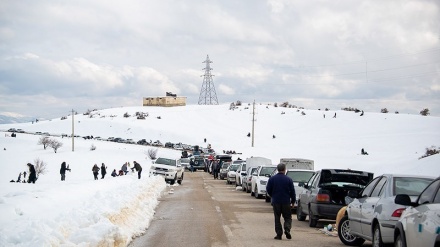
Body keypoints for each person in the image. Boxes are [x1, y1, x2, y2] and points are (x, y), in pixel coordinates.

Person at [266, 163, 296, 240]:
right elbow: (292, 191)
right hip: (286, 201)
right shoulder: (288, 179)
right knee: (288, 217)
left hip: (276, 201)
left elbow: (268, 189)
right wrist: (293, 201)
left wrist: (273, 196)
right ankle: (287, 229)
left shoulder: (272, 179)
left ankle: (279, 234)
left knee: (277, 218)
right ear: (284, 169)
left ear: (277, 169)